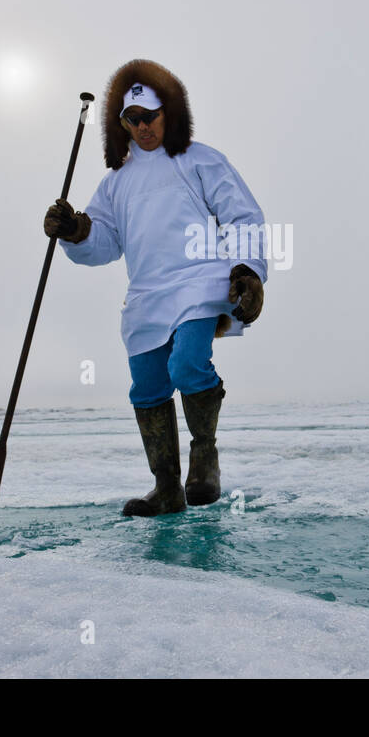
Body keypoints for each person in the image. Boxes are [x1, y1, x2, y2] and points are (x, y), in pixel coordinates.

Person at [44, 59, 268, 517]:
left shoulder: (201, 160)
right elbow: (105, 241)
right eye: (134, 119)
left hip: (199, 284)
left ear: (171, 112)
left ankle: (204, 457)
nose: (144, 126)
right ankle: (167, 487)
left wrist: (249, 271)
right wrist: (76, 230)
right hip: (146, 296)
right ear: (120, 123)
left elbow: (241, 215)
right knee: (147, 389)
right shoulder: (115, 183)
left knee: (187, 365)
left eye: (152, 115)